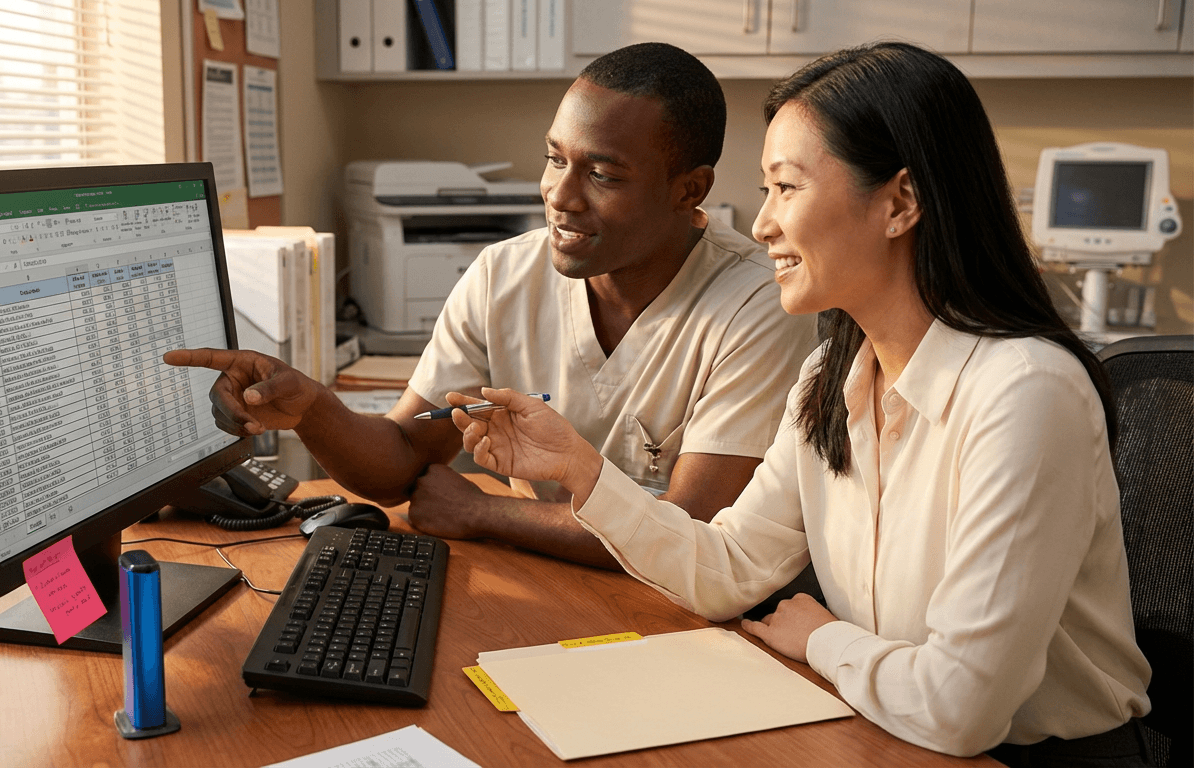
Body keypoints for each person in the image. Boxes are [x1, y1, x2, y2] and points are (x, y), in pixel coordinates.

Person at [449, 42, 1152, 765]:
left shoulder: (1025, 393)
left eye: (786, 188)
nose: (761, 225)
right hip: (881, 728)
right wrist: (582, 471)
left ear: (900, 202)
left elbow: (961, 708)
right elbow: (728, 568)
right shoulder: (832, 375)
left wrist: (820, 636)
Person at [165, 43, 818, 570]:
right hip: (547, 589)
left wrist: (486, 512)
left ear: (690, 189)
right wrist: (314, 410)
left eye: (604, 175)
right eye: (554, 159)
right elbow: (402, 458)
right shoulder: (505, 274)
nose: (561, 196)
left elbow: (690, 535)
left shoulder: (761, 300)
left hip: (694, 630)